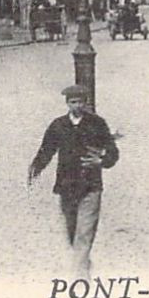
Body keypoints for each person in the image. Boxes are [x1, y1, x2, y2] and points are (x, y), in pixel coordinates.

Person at [27, 85, 120, 278]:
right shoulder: (58, 125)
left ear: (86, 102)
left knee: (85, 233)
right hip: (66, 187)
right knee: (71, 232)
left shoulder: (97, 124)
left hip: (91, 186)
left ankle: (80, 277)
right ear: (67, 103)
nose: (77, 106)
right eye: (73, 102)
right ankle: (83, 263)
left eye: (80, 102)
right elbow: (47, 150)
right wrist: (36, 168)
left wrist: (101, 161)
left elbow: (113, 152)